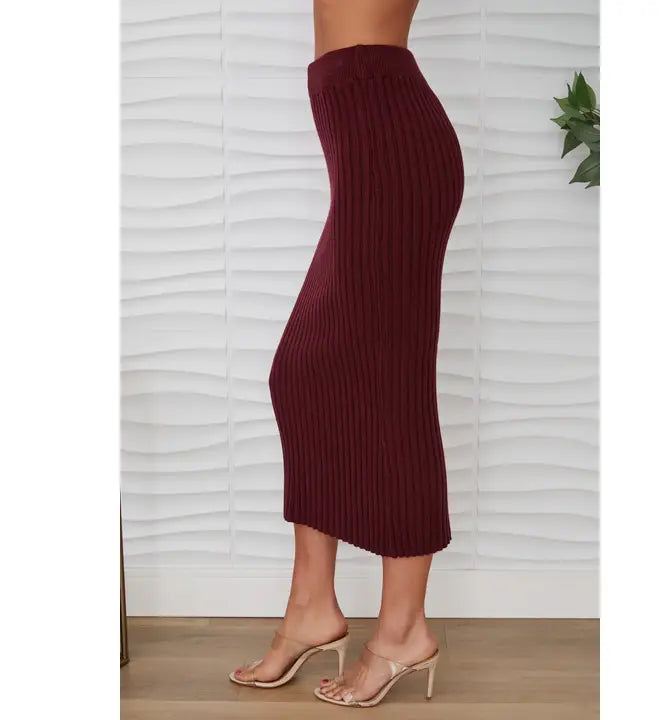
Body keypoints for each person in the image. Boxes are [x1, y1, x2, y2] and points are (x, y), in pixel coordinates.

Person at [229, 0, 464, 707]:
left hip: (390, 143)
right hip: (372, 146)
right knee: (303, 375)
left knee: (392, 391)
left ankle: (403, 630)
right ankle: (311, 605)